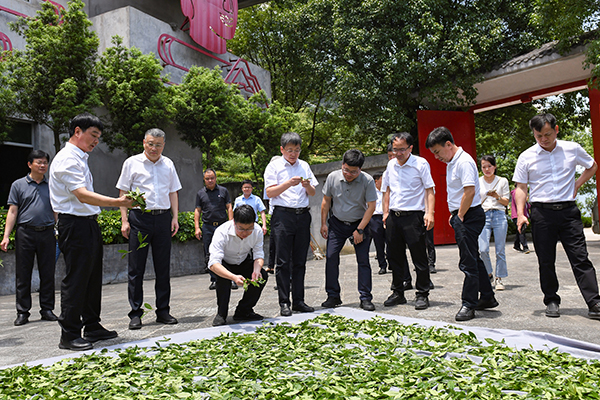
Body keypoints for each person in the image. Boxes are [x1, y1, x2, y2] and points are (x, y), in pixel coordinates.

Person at [49, 113, 133, 351]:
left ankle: (92, 325)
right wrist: (120, 203)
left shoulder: (80, 157)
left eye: (98, 137)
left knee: (92, 277)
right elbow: (82, 194)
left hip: (87, 223)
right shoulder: (67, 159)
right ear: (78, 131)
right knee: (76, 279)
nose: (96, 141)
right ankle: (69, 334)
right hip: (74, 225)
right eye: (93, 135)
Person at [514, 113, 600, 319]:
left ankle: (594, 302)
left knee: (580, 258)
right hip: (541, 213)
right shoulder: (526, 156)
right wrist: (520, 214)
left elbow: (593, 166)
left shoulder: (572, 149)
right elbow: (521, 187)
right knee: (546, 260)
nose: (544, 139)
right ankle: (551, 299)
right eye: (538, 136)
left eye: (547, 134)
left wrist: (576, 185)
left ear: (556, 130)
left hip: (569, 213)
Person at [426, 126, 497, 321]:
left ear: (448, 144)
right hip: (464, 213)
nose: (436, 157)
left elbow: (470, 192)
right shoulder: (452, 162)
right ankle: (488, 297)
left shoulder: (464, 162)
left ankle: (469, 304)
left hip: (470, 215)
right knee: (473, 257)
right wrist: (455, 213)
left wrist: (460, 215)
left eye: (437, 152)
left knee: (467, 262)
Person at [116, 128, 182, 330]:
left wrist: (175, 217)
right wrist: (124, 220)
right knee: (136, 268)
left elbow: (173, 192)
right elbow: (123, 192)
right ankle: (135, 313)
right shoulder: (131, 163)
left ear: (164, 145)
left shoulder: (168, 164)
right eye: (151, 144)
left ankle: (163, 311)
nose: (154, 148)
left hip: (162, 219)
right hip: (139, 219)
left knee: (163, 268)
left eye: (158, 145)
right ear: (144, 142)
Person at [264, 132, 318, 316]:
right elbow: (270, 193)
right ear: (282, 150)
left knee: (300, 261)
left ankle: (299, 301)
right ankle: (284, 302)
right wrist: (288, 183)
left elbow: (312, 192)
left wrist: (306, 186)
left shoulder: (304, 166)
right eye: (289, 150)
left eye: (296, 150)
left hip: (302, 216)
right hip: (282, 216)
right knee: (283, 261)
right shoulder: (274, 166)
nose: (293, 154)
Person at [1, 150, 57, 326]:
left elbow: (57, 210)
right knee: (23, 273)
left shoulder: (52, 185)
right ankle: (22, 311)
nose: (42, 166)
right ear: (29, 164)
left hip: (47, 232)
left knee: (48, 272)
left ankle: (47, 309)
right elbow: (12, 211)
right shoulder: (18, 185)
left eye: (45, 163)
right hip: (25, 233)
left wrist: (59, 230)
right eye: (39, 162)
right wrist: (6, 236)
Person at [382, 132, 435, 310]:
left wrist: (430, 213)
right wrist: (385, 213)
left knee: (419, 257)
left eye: (402, 150)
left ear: (410, 148)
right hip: (393, 217)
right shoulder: (391, 165)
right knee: (394, 256)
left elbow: (429, 190)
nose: (398, 153)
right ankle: (398, 292)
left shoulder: (420, 164)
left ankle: (422, 293)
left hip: (414, 217)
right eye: (395, 150)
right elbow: (386, 190)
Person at [320, 149, 377, 310]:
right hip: (337, 224)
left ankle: (365, 297)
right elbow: (326, 201)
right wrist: (323, 223)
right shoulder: (333, 177)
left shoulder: (367, 180)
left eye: (353, 172)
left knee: (363, 260)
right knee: (331, 257)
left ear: (360, 169)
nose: (349, 174)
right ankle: (333, 296)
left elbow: (371, 207)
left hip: (359, 223)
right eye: (346, 170)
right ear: (342, 165)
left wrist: (359, 230)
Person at [208, 204, 268, 326]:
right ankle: (221, 313)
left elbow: (258, 254)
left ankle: (244, 310)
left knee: (262, 276)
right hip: (224, 263)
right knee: (223, 280)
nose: (245, 233)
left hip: (243, 260)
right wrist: (233, 278)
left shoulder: (257, 231)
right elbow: (213, 263)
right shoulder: (222, 231)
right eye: (241, 229)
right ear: (234, 222)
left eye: (249, 229)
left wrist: (256, 270)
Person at [194, 168, 233, 290]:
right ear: (204, 180)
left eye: (212, 178)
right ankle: (214, 279)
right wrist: (197, 227)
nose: (210, 180)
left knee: (227, 252)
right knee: (210, 253)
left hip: (222, 226)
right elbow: (197, 211)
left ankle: (230, 279)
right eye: (207, 178)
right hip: (208, 227)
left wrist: (231, 224)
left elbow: (229, 207)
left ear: (216, 178)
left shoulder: (223, 191)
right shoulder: (200, 193)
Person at [478, 155, 510, 291]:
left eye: (489, 166)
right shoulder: (478, 181)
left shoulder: (502, 181)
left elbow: (506, 202)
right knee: (483, 249)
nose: (487, 169)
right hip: (483, 214)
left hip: (499, 214)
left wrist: (496, 196)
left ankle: (499, 278)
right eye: (484, 167)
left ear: (495, 166)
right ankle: (489, 273)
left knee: (500, 250)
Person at [368, 171, 387, 275]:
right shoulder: (371, 192)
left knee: (391, 241)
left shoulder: (387, 191)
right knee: (379, 243)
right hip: (375, 219)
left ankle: (393, 263)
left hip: (386, 216)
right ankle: (382, 265)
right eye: (382, 179)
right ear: (376, 181)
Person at [510, 187, 530, 253]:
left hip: (524, 215)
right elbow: (518, 202)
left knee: (519, 230)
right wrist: (524, 200)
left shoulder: (523, 193)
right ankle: (525, 247)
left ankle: (516, 245)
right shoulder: (516, 192)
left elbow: (527, 206)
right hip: (517, 215)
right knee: (522, 230)